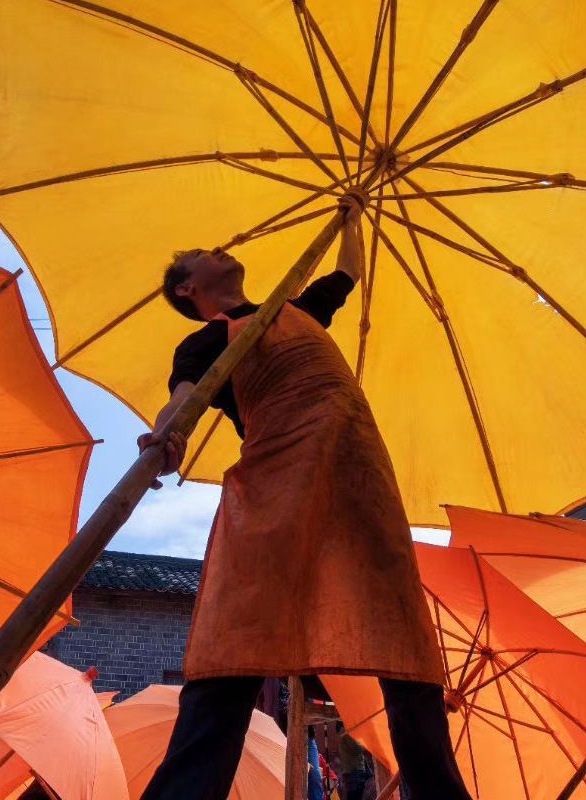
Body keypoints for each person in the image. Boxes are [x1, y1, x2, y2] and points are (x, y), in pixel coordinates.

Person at [138, 193, 472, 800]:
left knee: (404, 649)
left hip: (361, 492)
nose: (219, 249)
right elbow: (184, 397)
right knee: (233, 652)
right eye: (200, 255)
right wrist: (169, 433)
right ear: (189, 289)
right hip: (274, 496)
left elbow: (348, 272)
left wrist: (351, 220)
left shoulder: (296, 311)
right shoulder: (206, 344)